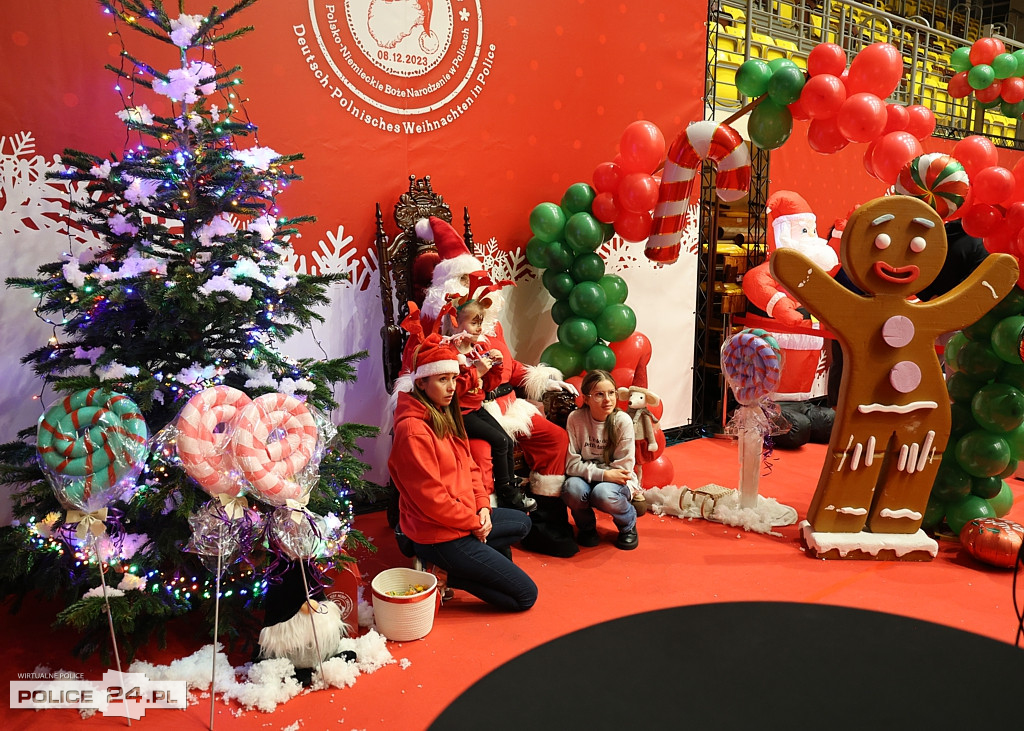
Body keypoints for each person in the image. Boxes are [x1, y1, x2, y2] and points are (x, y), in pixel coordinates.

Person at [414, 215, 580, 558]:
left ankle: (544, 523)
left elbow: (510, 368)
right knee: (485, 456)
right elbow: (419, 381)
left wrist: (545, 378)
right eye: (465, 282)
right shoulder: (434, 333)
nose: (478, 292)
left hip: (508, 406)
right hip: (467, 412)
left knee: (556, 438)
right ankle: (494, 534)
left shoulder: (491, 329)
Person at [388, 333, 537, 611]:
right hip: (438, 534)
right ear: (421, 382)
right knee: (525, 596)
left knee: (522, 523)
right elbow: (431, 499)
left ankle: (454, 565)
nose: (451, 387)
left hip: (463, 519)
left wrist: (482, 507)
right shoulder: (412, 430)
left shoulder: (443, 412)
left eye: (453, 379)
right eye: (442, 380)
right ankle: (447, 574)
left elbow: (470, 468)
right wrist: (473, 523)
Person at [443, 280, 537, 513]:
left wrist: (495, 366)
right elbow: (452, 391)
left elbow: (487, 388)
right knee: (500, 441)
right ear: (455, 324)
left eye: (480, 323)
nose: (479, 328)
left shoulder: (476, 350)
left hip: (476, 407)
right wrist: (478, 371)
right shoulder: (449, 353)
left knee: (504, 436)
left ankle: (510, 484)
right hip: (459, 413)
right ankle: (507, 492)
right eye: (474, 323)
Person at [563, 370, 640, 550]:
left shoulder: (622, 421)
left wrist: (604, 477)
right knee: (572, 490)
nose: (608, 400)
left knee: (603, 494)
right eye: (599, 394)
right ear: (587, 398)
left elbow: (623, 470)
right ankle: (587, 528)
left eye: (611, 393)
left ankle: (627, 524)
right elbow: (571, 464)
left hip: (615, 480)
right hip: (591, 476)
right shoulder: (575, 419)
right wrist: (604, 474)